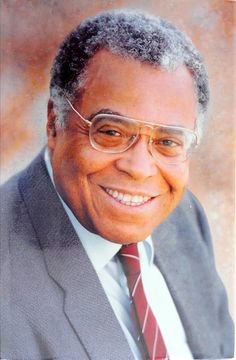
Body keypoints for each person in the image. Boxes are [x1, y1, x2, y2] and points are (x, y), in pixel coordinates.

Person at [0, 9, 234, 360]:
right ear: (53, 124)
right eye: (110, 132)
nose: (140, 169)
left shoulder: (183, 221)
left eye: (168, 142)